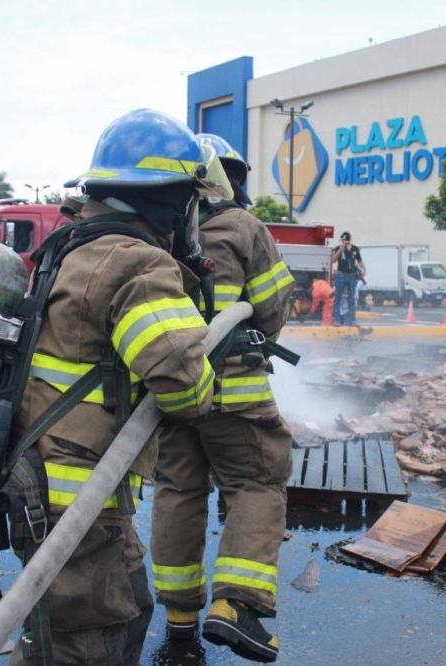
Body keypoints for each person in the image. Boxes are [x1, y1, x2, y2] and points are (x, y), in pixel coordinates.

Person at [11, 110, 230, 664]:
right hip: (74, 496)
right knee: (85, 641)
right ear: (168, 200)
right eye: (190, 202)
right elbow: (185, 387)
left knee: (125, 604)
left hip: (43, 480)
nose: (192, 217)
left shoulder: (67, 248)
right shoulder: (135, 263)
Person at [152, 133, 294, 663]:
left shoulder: (157, 232)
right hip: (234, 392)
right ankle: (236, 605)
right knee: (256, 483)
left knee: (178, 492)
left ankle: (181, 619)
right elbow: (273, 309)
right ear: (226, 176)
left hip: (167, 394)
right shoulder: (243, 226)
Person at [331, 231, 365, 326]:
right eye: (342, 240)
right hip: (341, 275)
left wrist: (364, 269)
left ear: (349, 240)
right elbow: (333, 260)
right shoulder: (338, 248)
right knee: (337, 297)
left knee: (351, 298)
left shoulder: (355, 249)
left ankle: (352, 319)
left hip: (352, 276)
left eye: (345, 240)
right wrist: (339, 251)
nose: (344, 242)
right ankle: (336, 319)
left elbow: (359, 260)